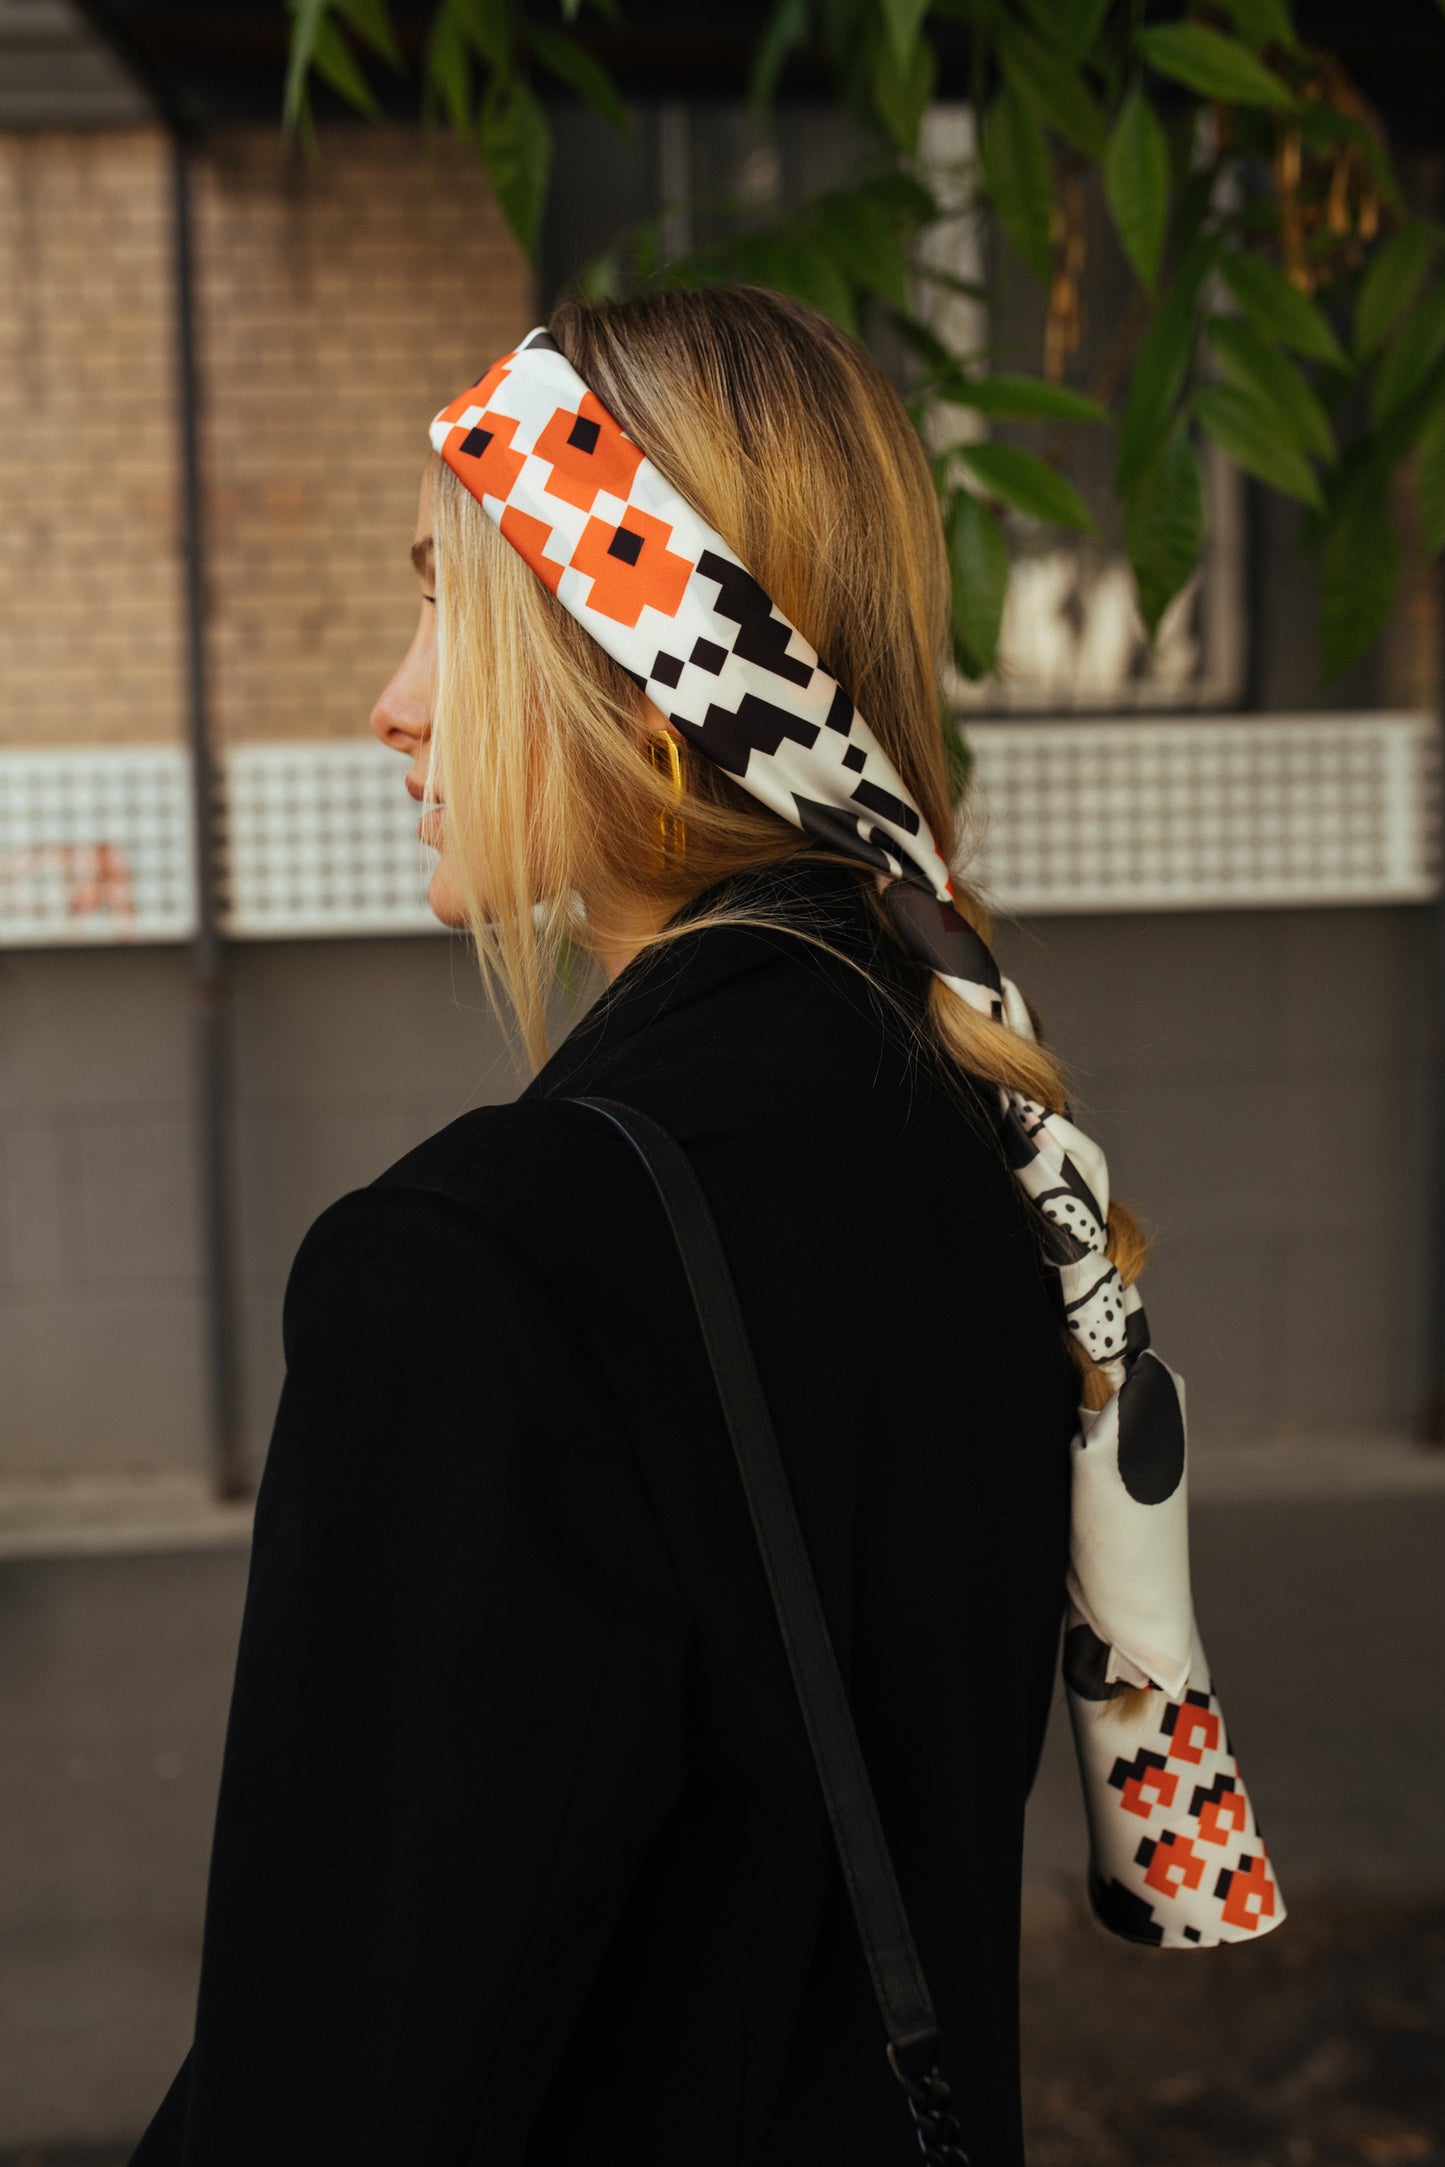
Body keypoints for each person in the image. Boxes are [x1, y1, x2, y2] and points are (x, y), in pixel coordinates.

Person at [128, 286, 1218, 2167]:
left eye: (439, 607)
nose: (392, 704)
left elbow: (336, 2080)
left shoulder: (482, 1269)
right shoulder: (969, 1146)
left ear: (643, 687)